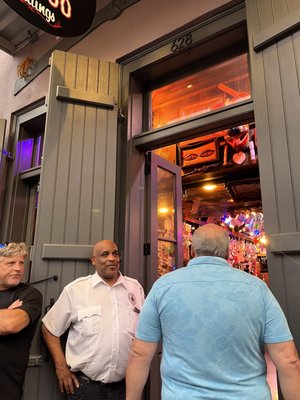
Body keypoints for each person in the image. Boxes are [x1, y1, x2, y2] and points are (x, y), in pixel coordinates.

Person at [126, 224, 300, 400]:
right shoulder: (257, 288)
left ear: (192, 250)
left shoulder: (163, 287)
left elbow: (140, 353)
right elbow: (289, 360)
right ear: (227, 252)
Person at [42, 239, 145, 400]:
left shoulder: (134, 288)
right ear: (93, 261)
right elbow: (49, 327)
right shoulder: (76, 290)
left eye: (115, 254)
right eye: (105, 254)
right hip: (86, 389)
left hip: (126, 387)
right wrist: (60, 367)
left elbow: (144, 331)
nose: (112, 258)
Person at [0, 242, 43, 400]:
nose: (18, 268)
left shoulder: (29, 295)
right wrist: (5, 312)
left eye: (21, 263)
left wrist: (7, 317)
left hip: (6, 390)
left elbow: (10, 324)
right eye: (11, 263)